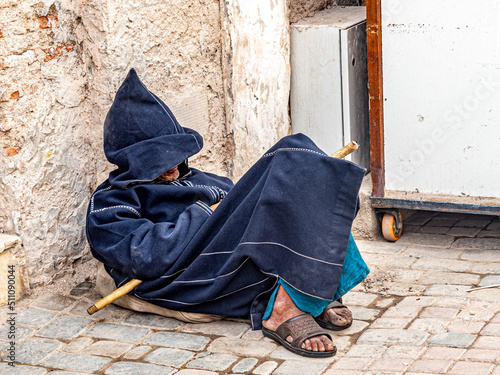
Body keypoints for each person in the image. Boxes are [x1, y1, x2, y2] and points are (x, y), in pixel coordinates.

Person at [86, 69, 370, 357]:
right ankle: (286, 306)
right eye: (158, 161)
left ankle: (306, 292)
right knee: (288, 154)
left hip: (228, 258)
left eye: (175, 155)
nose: (172, 166)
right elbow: (145, 255)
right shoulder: (113, 201)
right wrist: (206, 214)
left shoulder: (202, 179)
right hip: (186, 275)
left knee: (298, 155)